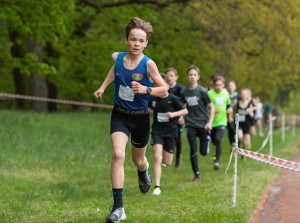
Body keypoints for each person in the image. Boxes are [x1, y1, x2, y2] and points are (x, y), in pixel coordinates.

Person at [93, 17, 168, 223]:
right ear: (126, 40)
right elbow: (115, 71)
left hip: (141, 118)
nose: (136, 43)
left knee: (137, 160)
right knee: (118, 154)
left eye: (140, 40)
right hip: (120, 114)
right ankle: (118, 208)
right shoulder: (117, 57)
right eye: (133, 39)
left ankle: (143, 171)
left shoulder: (148, 64)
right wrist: (103, 87)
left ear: (146, 43)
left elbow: (164, 90)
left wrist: (146, 89)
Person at [149, 74, 188, 195]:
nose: (159, 87)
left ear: (167, 86)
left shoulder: (173, 98)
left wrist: (173, 115)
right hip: (157, 130)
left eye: (162, 85)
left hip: (171, 131)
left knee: (167, 161)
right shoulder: (152, 99)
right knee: (157, 157)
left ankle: (168, 161)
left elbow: (185, 110)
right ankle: (157, 186)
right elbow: (146, 106)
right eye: (156, 85)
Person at [180, 65, 215, 182]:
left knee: (204, 152)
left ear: (198, 77)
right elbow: (183, 106)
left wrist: (210, 122)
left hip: (203, 124)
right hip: (190, 123)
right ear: (186, 76)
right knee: (193, 148)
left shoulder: (202, 91)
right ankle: (196, 174)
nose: (192, 77)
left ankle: (207, 140)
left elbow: (212, 107)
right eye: (190, 75)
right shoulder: (184, 91)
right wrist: (181, 116)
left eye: (194, 75)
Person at [208, 76, 232, 170]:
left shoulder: (226, 94)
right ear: (213, 85)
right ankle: (215, 155)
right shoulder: (209, 94)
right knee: (213, 140)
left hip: (222, 121)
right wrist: (210, 111)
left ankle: (217, 162)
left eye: (220, 85)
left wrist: (229, 110)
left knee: (218, 139)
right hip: (211, 122)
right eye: (216, 85)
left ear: (223, 85)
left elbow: (229, 105)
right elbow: (204, 107)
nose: (218, 87)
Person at [166, 67, 185, 169]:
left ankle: (178, 157)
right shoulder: (164, 87)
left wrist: (181, 116)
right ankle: (167, 157)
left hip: (177, 116)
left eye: (172, 76)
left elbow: (184, 104)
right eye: (168, 75)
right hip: (166, 116)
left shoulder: (180, 89)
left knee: (177, 137)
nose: (169, 78)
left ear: (176, 77)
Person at [236, 88, 253, 158]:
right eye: (242, 94)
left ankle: (244, 155)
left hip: (246, 124)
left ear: (247, 95)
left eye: (244, 94)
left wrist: (249, 111)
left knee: (245, 142)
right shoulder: (237, 103)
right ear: (240, 95)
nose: (243, 95)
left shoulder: (249, 104)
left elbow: (252, 116)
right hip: (239, 123)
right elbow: (234, 111)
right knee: (240, 136)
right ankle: (239, 143)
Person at [227, 81, 240, 147]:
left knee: (237, 130)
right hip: (228, 116)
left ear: (235, 87)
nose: (231, 87)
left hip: (236, 116)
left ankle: (238, 143)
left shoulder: (237, 96)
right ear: (228, 87)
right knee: (231, 129)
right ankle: (232, 143)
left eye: (232, 85)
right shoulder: (226, 95)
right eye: (230, 85)